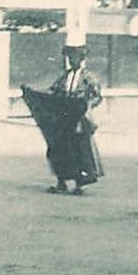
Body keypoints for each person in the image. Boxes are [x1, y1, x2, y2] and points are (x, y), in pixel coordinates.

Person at [24, 44, 103, 195]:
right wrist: (35, 93)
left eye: (75, 58)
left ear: (81, 60)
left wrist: (86, 106)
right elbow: (53, 91)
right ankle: (61, 182)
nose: (72, 61)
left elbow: (97, 96)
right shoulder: (65, 76)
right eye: (70, 58)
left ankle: (79, 184)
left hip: (78, 117)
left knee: (79, 149)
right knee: (59, 148)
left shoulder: (89, 77)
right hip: (64, 118)